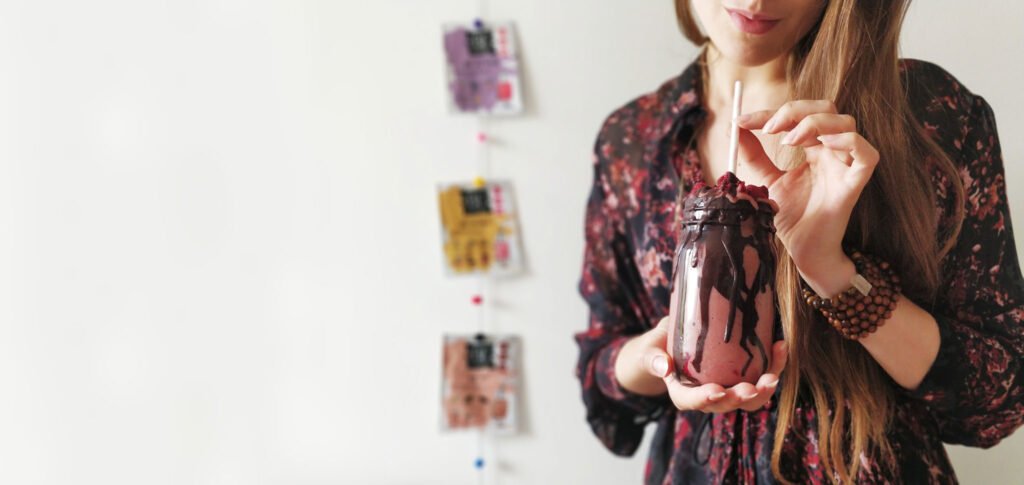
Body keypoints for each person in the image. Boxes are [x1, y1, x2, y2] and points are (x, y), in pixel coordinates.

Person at [574, 1, 1024, 483]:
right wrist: (659, 358)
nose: (756, 1)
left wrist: (831, 270)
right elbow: (605, 396)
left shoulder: (928, 116)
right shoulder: (632, 141)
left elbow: (997, 403)